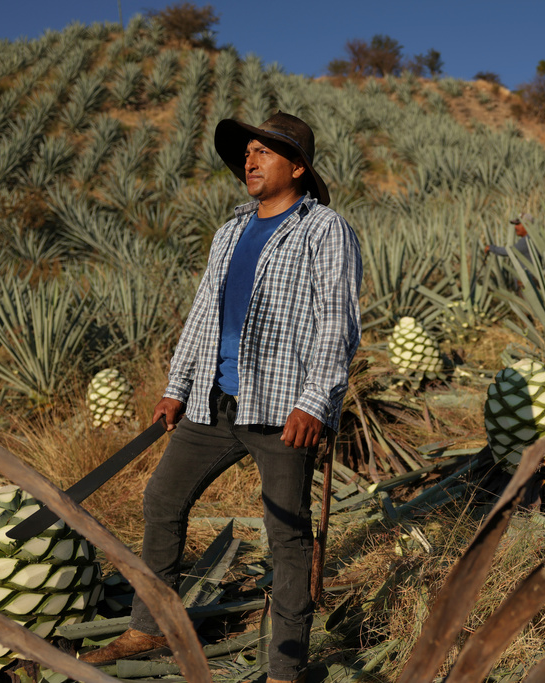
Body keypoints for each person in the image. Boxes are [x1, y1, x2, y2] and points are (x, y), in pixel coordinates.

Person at [80, 112, 363, 683]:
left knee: (286, 533)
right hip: (215, 404)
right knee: (162, 498)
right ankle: (151, 625)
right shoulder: (230, 231)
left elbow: (338, 322)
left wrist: (315, 402)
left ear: (299, 167)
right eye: (248, 153)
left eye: (265, 153)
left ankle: (285, 666)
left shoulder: (324, 229)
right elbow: (205, 316)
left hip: (283, 410)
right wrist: (176, 388)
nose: (250, 161)